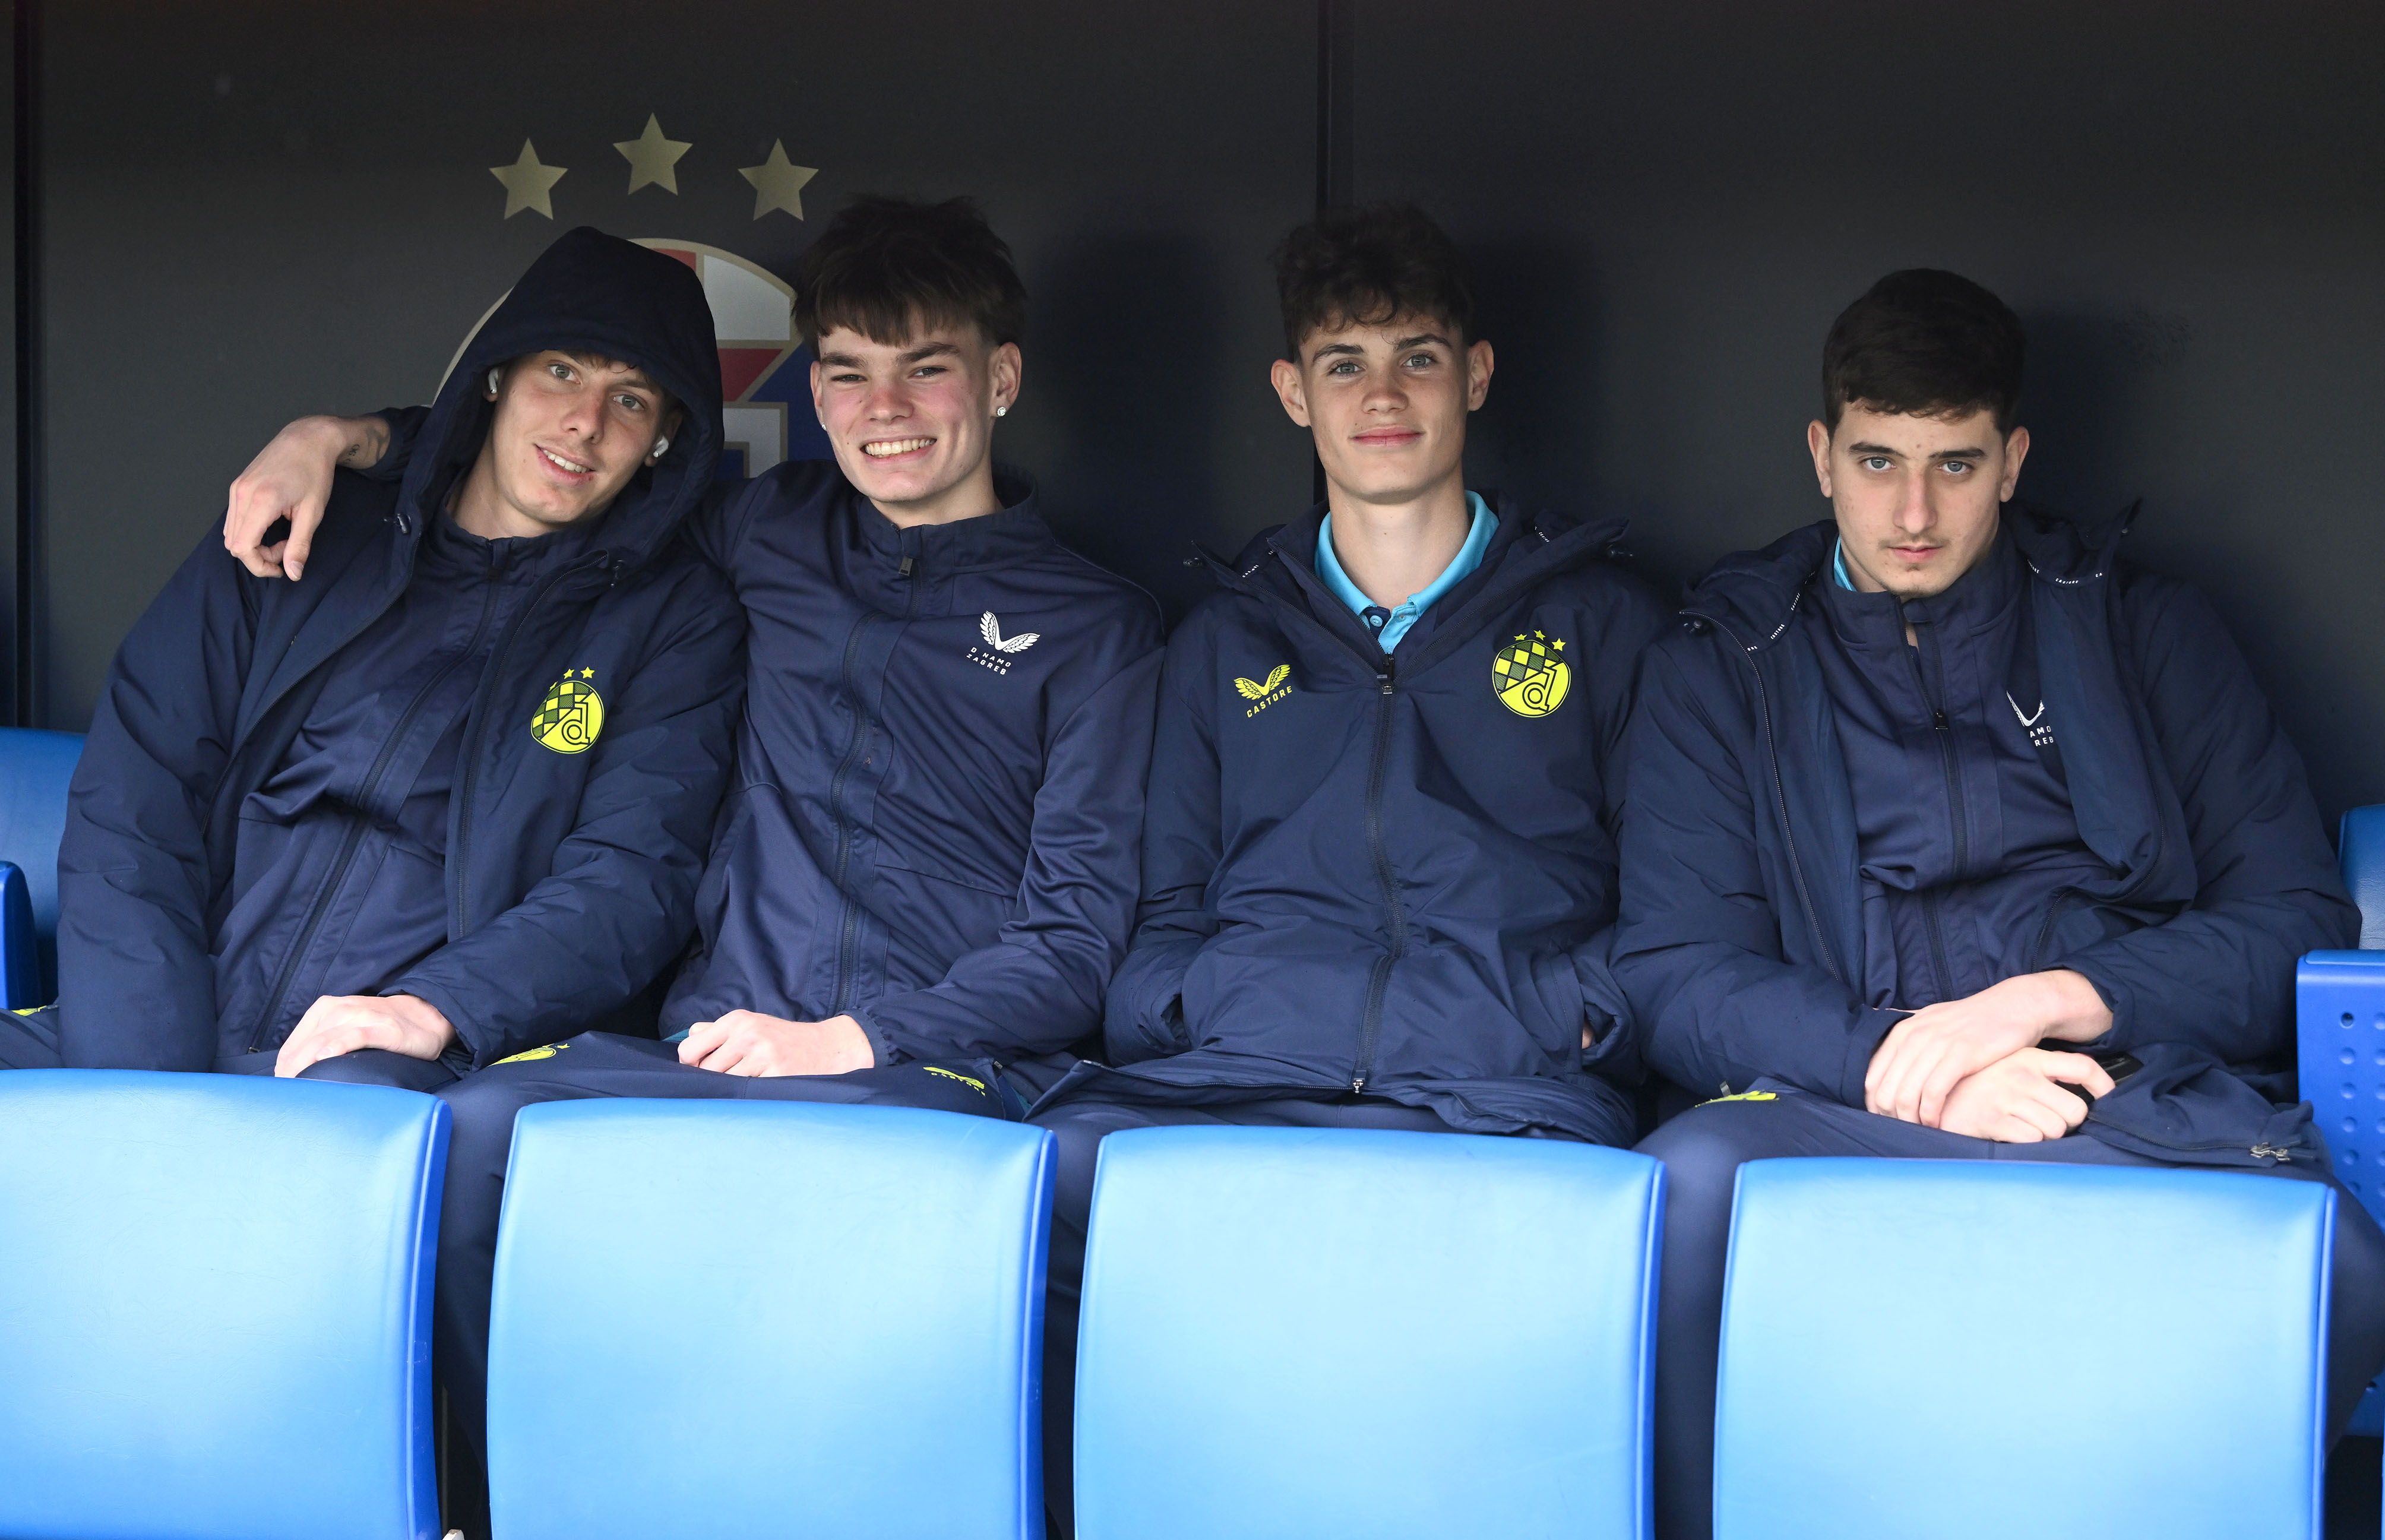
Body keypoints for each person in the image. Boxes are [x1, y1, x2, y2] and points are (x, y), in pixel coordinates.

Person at [223, 195, 1162, 1531]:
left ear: (1001, 379)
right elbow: (552, 462)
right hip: (709, 1043)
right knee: (475, 1131)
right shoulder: (758, 531)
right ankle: (476, 1510)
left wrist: (852, 1039)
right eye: (849, 373)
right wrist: (341, 435)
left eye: (927, 369)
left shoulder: (1100, 626)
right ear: (813, 392)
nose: (885, 409)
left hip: (940, 1062)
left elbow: (1074, 944)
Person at [1615, 268, 2385, 1539]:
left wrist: (2050, 1001)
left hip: (2113, 1092)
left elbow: (2296, 915)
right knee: (1678, 1195)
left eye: (1955, 465)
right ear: (1821, 456)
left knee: (2337, 1257)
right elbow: (1677, 970)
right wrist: (1910, 1069)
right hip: (1841, 1101)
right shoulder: (1725, 658)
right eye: (1877, 461)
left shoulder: (2142, 628)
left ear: (2013, 459)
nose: (1912, 511)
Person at [1024, 203, 1671, 1529]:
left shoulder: (1608, 622)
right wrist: (1196, 1007)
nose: (1382, 396)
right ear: (1291, 392)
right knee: (1040, 1192)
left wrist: (1565, 1016)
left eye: (1416, 357)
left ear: (1473, 376)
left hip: (1506, 1092)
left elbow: (1670, 916)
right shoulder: (1223, 640)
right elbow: (1161, 911)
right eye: (1343, 363)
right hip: (1238, 1080)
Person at [0, 226, 744, 1090]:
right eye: (562, 370)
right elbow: (138, 791)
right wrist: (143, 1075)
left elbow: (629, 877)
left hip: (413, 1055)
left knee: (346, 1113)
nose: (585, 422)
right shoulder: (309, 520)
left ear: (665, 436)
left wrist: (437, 1008)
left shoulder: (675, 619)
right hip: (169, 1016)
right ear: (498, 373)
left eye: (632, 400)